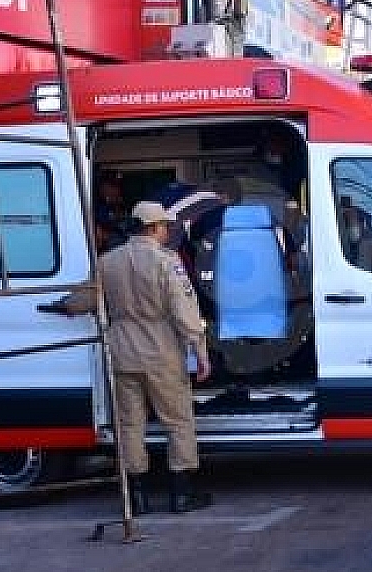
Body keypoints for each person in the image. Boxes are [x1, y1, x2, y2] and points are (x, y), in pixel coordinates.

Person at [99, 201, 213, 515]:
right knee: (177, 421)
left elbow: (85, 298)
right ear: (152, 228)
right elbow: (183, 311)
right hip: (162, 353)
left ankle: (137, 498)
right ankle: (181, 494)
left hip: (122, 353)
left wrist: (63, 305)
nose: (167, 232)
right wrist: (200, 351)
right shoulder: (167, 262)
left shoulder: (107, 262)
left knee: (130, 424)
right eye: (164, 226)